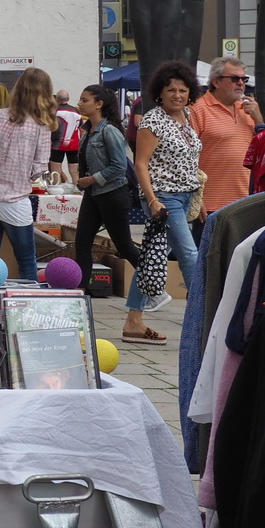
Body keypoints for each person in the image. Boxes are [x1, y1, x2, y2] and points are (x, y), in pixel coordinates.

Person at [71, 85, 160, 341]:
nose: (80, 103)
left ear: (99, 104)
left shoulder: (109, 131)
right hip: (93, 195)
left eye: (85, 99)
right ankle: (80, 295)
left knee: (124, 245)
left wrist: (91, 179)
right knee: (82, 243)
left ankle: (153, 284)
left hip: (112, 194)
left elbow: (120, 166)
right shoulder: (89, 130)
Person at [131, 60, 203, 300]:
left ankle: (134, 315)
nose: (177, 95)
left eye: (183, 90)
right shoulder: (153, 121)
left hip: (186, 196)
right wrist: (152, 201)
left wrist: (198, 198)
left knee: (153, 256)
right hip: (164, 198)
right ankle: (200, 312)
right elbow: (140, 164)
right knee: (190, 254)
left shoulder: (188, 116)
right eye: (171, 89)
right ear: (160, 92)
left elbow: (190, 160)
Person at [0, 67, 57, 281]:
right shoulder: (41, 125)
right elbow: (39, 169)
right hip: (16, 201)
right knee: (26, 261)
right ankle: (29, 298)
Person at [195, 56, 261, 218]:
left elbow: (263, 148)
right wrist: (196, 197)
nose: (241, 83)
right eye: (234, 78)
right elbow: (186, 158)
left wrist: (259, 119)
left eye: (244, 79)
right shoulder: (197, 110)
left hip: (246, 201)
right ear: (216, 82)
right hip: (211, 204)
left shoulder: (248, 109)